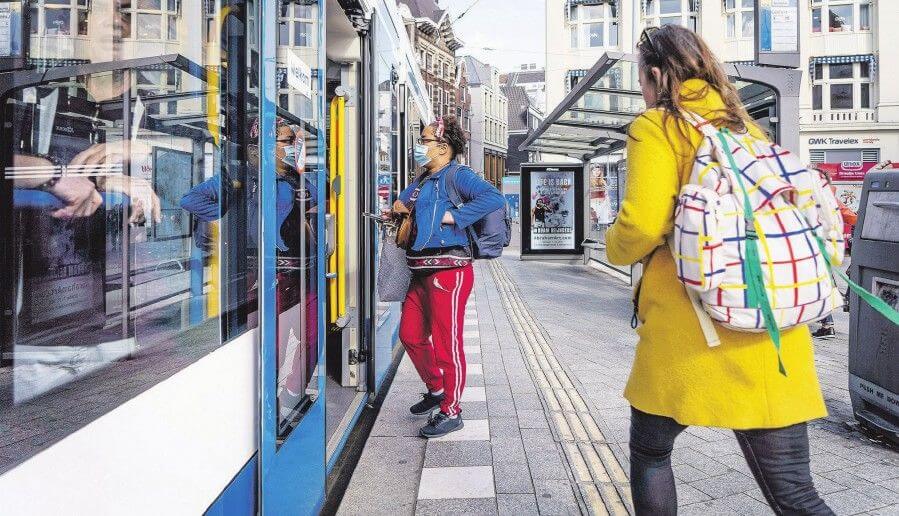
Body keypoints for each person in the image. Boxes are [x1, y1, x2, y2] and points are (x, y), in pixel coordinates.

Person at [605, 25, 834, 515]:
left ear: (656, 74)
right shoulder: (745, 128)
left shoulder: (659, 126)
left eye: (642, 79)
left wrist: (614, 247)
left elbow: (642, 223)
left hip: (692, 331)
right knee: (796, 494)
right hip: (772, 332)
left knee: (650, 452)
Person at [181, 116, 318, 421]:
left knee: (308, 338)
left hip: (305, 274)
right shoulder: (241, 175)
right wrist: (233, 216)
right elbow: (190, 199)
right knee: (271, 339)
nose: (293, 147)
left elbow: (318, 206)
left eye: (293, 142)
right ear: (263, 148)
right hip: (271, 275)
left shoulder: (298, 179)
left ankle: (292, 396)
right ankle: (270, 403)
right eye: (286, 142)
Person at [393, 116, 504, 438]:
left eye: (424, 140)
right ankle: (437, 390)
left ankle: (452, 410)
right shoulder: (424, 178)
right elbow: (403, 202)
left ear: (442, 148)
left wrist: (453, 215)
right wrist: (399, 209)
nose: (419, 145)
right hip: (419, 269)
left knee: (447, 343)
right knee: (411, 335)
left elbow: (493, 198)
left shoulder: (458, 175)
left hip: (448, 271)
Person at [811, 166, 858, 340]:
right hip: (826, 249)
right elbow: (852, 217)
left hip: (813, 249)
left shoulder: (811, 197)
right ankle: (827, 323)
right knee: (824, 283)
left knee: (817, 285)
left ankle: (826, 323)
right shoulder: (832, 199)